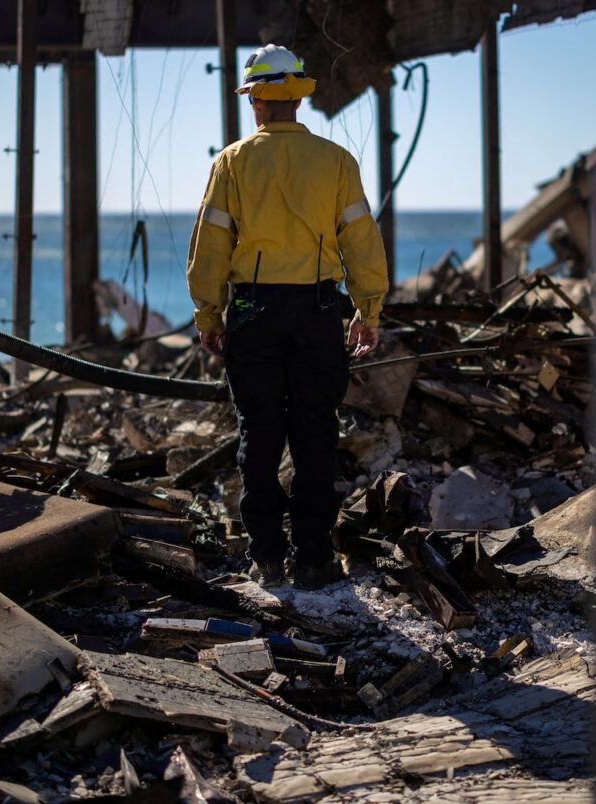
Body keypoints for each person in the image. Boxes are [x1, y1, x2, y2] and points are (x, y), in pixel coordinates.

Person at [185, 44, 389, 591]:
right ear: (298, 98)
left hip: (252, 310)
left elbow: (210, 246)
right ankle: (316, 561)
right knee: (316, 435)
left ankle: (268, 559)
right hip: (318, 310)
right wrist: (368, 309)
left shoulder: (231, 162)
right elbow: (362, 242)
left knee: (260, 434)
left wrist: (208, 313)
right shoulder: (336, 161)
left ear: (254, 101)